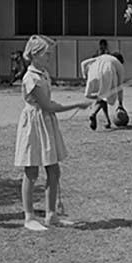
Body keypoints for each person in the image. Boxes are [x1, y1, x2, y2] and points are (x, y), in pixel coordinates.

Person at [14, 35, 87, 231]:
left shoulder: (43, 73)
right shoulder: (31, 77)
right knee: (31, 171)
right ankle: (29, 217)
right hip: (34, 124)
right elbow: (46, 105)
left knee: (53, 170)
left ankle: (51, 214)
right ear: (35, 54)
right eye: (47, 54)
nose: (50, 57)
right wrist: (77, 104)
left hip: (46, 123)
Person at [80, 50, 125, 130]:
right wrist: (120, 103)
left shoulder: (101, 57)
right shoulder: (118, 64)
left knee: (102, 98)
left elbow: (83, 63)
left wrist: (85, 76)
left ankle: (107, 121)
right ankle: (93, 113)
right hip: (106, 73)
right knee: (103, 97)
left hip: (93, 73)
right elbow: (120, 87)